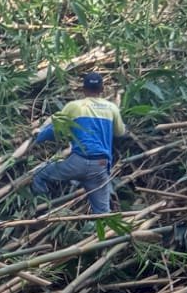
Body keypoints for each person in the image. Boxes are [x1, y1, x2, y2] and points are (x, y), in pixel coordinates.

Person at [31, 72, 127, 215]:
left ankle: (43, 212)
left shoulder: (74, 106)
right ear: (102, 89)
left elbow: (55, 129)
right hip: (100, 166)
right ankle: (104, 235)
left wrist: (38, 136)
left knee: (39, 175)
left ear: (83, 89)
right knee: (102, 213)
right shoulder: (111, 108)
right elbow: (120, 132)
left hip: (77, 163)